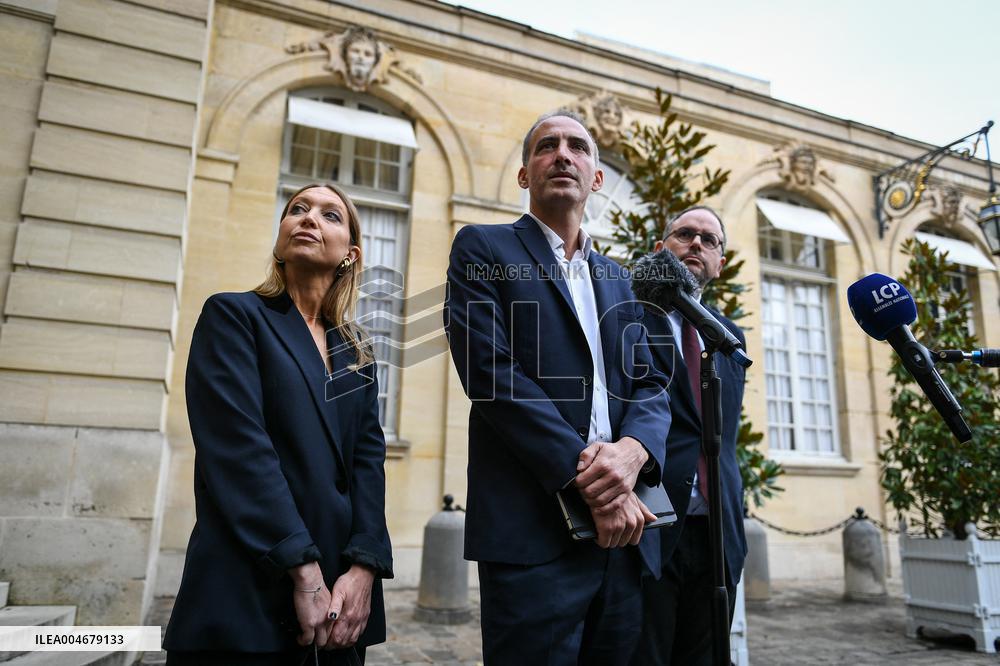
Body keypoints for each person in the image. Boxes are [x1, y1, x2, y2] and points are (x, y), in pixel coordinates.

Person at [444, 111, 671, 665]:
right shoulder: (483, 250)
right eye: (547, 146)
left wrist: (633, 454)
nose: (563, 155)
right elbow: (491, 374)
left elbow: (651, 382)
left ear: (596, 176)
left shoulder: (619, 278)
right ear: (525, 174)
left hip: (626, 539)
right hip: (533, 536)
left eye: (577, 147)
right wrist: (596, 482)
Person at [163, 184, 393, 665]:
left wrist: (365, 568)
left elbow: (369, 462)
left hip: (338, 599)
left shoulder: (358, 354)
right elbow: (240, 451)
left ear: (350, 254)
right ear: (280, 237)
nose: (308, 218)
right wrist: (302, 569)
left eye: (330, 215)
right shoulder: (235, 316)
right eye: (297, 210)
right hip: (249, 581)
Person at [634, 206, 748, 666]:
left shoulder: (729, 337)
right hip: (651, 525)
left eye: (710, 239)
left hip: (718, 531)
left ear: (720, 262)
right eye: (685, 234)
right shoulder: (630, 318)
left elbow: (724, 434)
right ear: (662, 248)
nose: (697, 244)